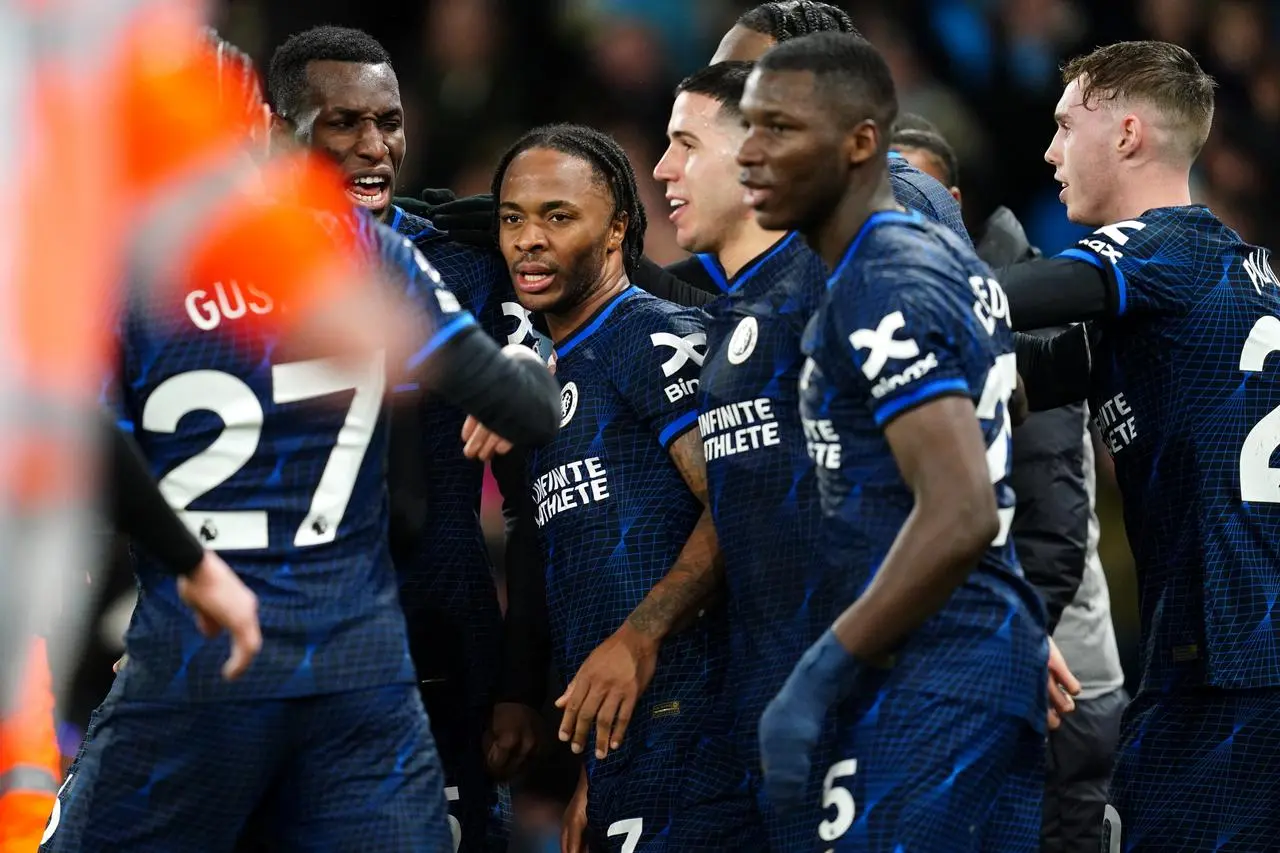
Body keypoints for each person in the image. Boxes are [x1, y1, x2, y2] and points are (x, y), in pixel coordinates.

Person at [43, 67, 562, 852]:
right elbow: (524, 411)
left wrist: (181, 562)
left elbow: (76, 447)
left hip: (196, 661)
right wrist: (530, 365)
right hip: (356, 674)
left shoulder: (121, 273)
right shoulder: (364, 250)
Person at [743, 33, 1048, 850]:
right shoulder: (936, 260)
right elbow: (1006, 412)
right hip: (976, 652)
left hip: (934, 667)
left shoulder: (883, 276)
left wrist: (817, 675)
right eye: (748, 127)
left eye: (780, 129)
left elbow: (960, 509)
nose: (751, 153)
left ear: (860, 141)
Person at [997, 40, 1280, 851]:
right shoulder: (1232, 275)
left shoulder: (1164, 248)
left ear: (1126, 135)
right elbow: (1021, 374)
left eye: (1063, 127)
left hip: (1223, 664)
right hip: (1239, 653)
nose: (1050, 153)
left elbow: (998, 299)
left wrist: (908, 277)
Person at [266, 26, 543, 850]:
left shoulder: (468, 267)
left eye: (387, 121)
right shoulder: (225, 279)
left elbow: (536, 500)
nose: (374, 145)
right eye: (343, 123)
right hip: (277, 655)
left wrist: (520, 679)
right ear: (283, 131)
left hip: (444, 653)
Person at [491, 123, 757, 852]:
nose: (528, 240)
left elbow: (742, 499)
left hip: (706, 730)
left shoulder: (649, 335)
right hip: (629, 748)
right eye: (513, 218)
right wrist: (594, 773)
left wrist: (641, 636)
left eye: (557, 216)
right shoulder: (553, 373)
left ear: (616, 231)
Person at [893, 118, 1127, 853]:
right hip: (977, 679)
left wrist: (978, 651)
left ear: (952, 205)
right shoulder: (895, 335)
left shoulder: (1014, 323)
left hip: (1055, 690)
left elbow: (1051, 540)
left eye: (913, 198)